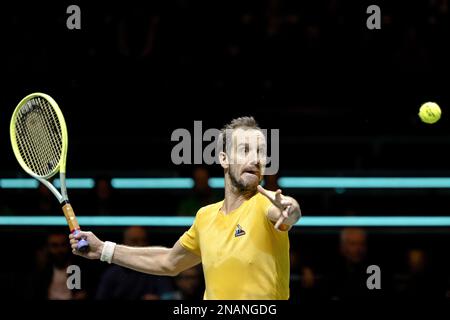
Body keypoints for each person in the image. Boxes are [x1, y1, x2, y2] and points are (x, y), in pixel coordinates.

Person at [70, 116, 301, 300]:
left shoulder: (265, 206)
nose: (256, 159)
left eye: (261, 152)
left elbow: (288, 212)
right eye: (245, 150)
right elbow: (169, 262)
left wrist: (289, 211)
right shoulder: (205, 216)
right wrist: (103, 250)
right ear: (224, 159)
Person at [95, 226, 174, 300]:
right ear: (124, 243)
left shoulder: (157, 270)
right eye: (134, 241)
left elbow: (168, 295)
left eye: (143, 240)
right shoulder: (112, 274)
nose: (140, 244)